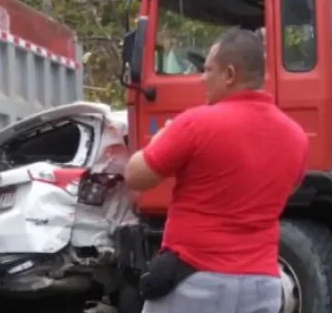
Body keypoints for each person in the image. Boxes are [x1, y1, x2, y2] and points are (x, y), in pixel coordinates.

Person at [124, 28, 309, 313]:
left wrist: (161, 137)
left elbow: (136, 177)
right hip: (262, 285)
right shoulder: (296, 137)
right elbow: (286, 192)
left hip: (195, 281)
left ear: (230, 74)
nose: (202, 77)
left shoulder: (196, 124)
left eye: (208, 69)